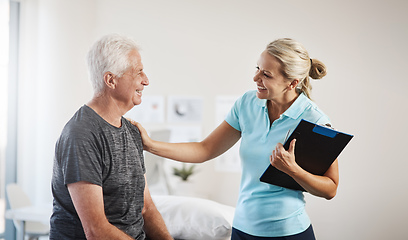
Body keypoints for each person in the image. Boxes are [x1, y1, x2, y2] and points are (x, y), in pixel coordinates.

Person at [132, 38, 338, 240]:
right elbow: (205, 149)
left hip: (287, 232)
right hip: (242, 229)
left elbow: (330, 188)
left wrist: (293, 170)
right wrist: (150, 145)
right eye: (257, 68)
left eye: (266, 74)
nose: (256, 78)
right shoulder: (247, 103)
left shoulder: (314, 121)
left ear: (292, 83)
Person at [50, 34, 173, 240]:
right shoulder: (81, 135)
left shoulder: (132, 131)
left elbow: (147, 208)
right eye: (138, 72)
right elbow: (96, 231)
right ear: (111, 80)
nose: (146, 80)